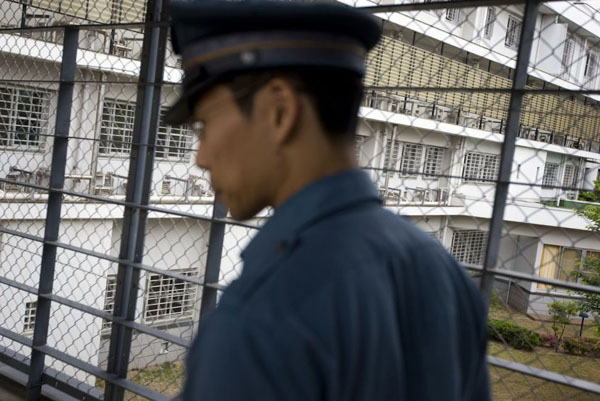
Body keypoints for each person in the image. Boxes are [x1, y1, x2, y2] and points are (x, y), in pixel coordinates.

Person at [166, 1, 491, 400]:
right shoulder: (443, 271)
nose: (200, 157)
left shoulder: (262, 317)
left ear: (279, 112)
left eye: (206, 124)